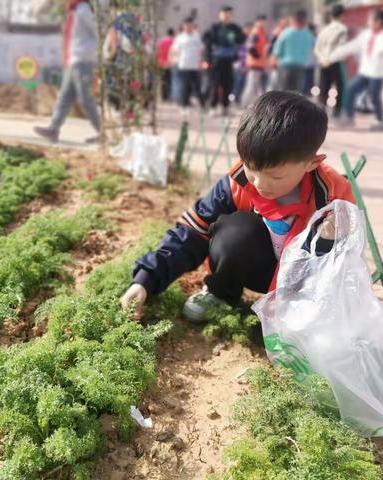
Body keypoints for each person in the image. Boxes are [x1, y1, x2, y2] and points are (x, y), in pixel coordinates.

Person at [120, 91, 355, 322]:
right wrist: (145, 280)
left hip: (301, 284)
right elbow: (192, 232)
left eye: (275, 177)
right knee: (235, 231)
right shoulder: (238, 182)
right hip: (256, 267)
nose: (260, 184)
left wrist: (327, 240)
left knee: (275, 334)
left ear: (311, 164)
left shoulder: (332, 198)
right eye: (252, 168)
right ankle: (221, 294)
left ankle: (282, 315)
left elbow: (340, 268)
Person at [34, 0, 100, 143]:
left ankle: (103, 132)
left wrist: (97, 54)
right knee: (64, 97)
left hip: (83, 59)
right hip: (73, 60)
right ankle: (53, 129)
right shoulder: (75, 11)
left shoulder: (83, 10)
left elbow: (98, 31)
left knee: (85, 98)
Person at [329, 9, 383, 130]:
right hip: (365, 72)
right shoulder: (366, 35)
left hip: (378, 73)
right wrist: (332, 56)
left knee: (374, 97)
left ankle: (381, 120)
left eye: (370, 19)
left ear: (379, 22)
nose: (368, 22)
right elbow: (351, 47)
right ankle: (348, 118)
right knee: (351, 89)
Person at [204, 5, 246, 116]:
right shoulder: (214, 28)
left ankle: (225, 107)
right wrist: (207, 59)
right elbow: (207, 43)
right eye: (225, 14)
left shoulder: (234, 28)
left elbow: (242, 39)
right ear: (220, 14)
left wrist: (238, 37)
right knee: (215, 84)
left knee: (228, 84)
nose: (227, 16)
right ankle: (213, 107)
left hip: (229, 60)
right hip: (216, 60)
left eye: (229, 14)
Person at [314, 4, 348, 117]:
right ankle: (336, 112)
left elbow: (317, 48)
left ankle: (320, 113)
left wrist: (322, 59)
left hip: (323, 62)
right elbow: (341, 47)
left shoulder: (324, 30)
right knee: (340, 86)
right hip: (335, 62)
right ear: (342, 15)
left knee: (323, 88)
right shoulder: (342, 29)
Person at [273, 10, 315, 92]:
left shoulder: (286, 32)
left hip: (285, 66)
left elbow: (277, 50)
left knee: (282, 92)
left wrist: (276, 60)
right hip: (300, 66)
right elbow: (311, 50)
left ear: (294, 20)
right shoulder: (309, 35)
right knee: (296, 94)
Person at [170, 18, 205, 116]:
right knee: (184, 87)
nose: (189, 27)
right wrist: (174, 60)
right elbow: (174, 50)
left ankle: (198, 105)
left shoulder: (197, 37)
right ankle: (184, 106)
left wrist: (201, 62)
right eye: (187, 25)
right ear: (183, 26)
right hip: (183, 65)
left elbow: (201, 50)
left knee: (196, 87)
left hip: (194, 66)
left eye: (190, 25)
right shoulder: (180, 37)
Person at [241, 15, 269, 108]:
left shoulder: (263, 33)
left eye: (264, 21)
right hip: (254, 63)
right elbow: (250, 47)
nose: (263, 23)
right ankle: (245, 104)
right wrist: (257, 56)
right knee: (251, 85)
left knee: (259, 87)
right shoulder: (255, 33)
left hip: (261, 64)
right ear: (257, 22)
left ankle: (258, 106)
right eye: (261, 21)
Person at [232, 22, 254, 105]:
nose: (249, 31)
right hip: (239, 65)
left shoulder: (251, 39)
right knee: (237, 83)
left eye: (250, 29)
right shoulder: (240, 39)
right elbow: (237, 53)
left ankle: (239, 100)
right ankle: (234, 99)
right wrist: (238, 65)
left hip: (248, 65)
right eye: (247, 29)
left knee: (244, 85)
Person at [267, 17, 290, 91]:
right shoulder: (278, 32)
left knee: (280, 79)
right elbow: (272, 46)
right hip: (276, 59)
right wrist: (272, 58)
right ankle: (271, 94)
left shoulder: (286, 32)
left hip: (283, 60)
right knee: (275, 79)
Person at [157, 28, 175, 101]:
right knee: (170, 80)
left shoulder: (161, 41)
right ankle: (169, 96)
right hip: (171, 63)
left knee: (163, 80)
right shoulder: (174, 41)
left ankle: (163, 96)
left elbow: (158, 52)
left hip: (162, 63)